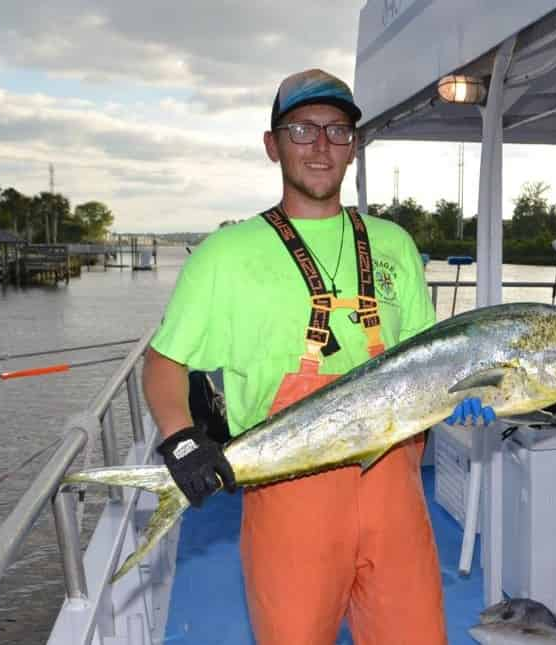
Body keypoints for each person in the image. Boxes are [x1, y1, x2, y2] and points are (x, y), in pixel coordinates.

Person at [142, 68, 493, 644]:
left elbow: (428, 359)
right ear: (272, 144)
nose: (321, 146)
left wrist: (466, 391)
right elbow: (163, 362)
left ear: (354, 146)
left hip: (395, 494)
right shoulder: (225, 255)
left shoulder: (394, 244)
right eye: (302, 130)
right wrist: (181, 437)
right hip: (289, 497)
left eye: (337, 131)